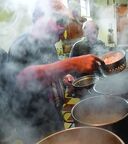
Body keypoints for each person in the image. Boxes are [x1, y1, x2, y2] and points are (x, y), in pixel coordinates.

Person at [5, 0, 102, 143]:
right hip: (33, 123)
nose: (63, 27)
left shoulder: (49, 45)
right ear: (40, 18)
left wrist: (64, 77)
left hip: (54, 113)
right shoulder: (21, 44)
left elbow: (50, 71)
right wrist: (73, 63)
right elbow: (22, 78)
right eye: (59, 21)